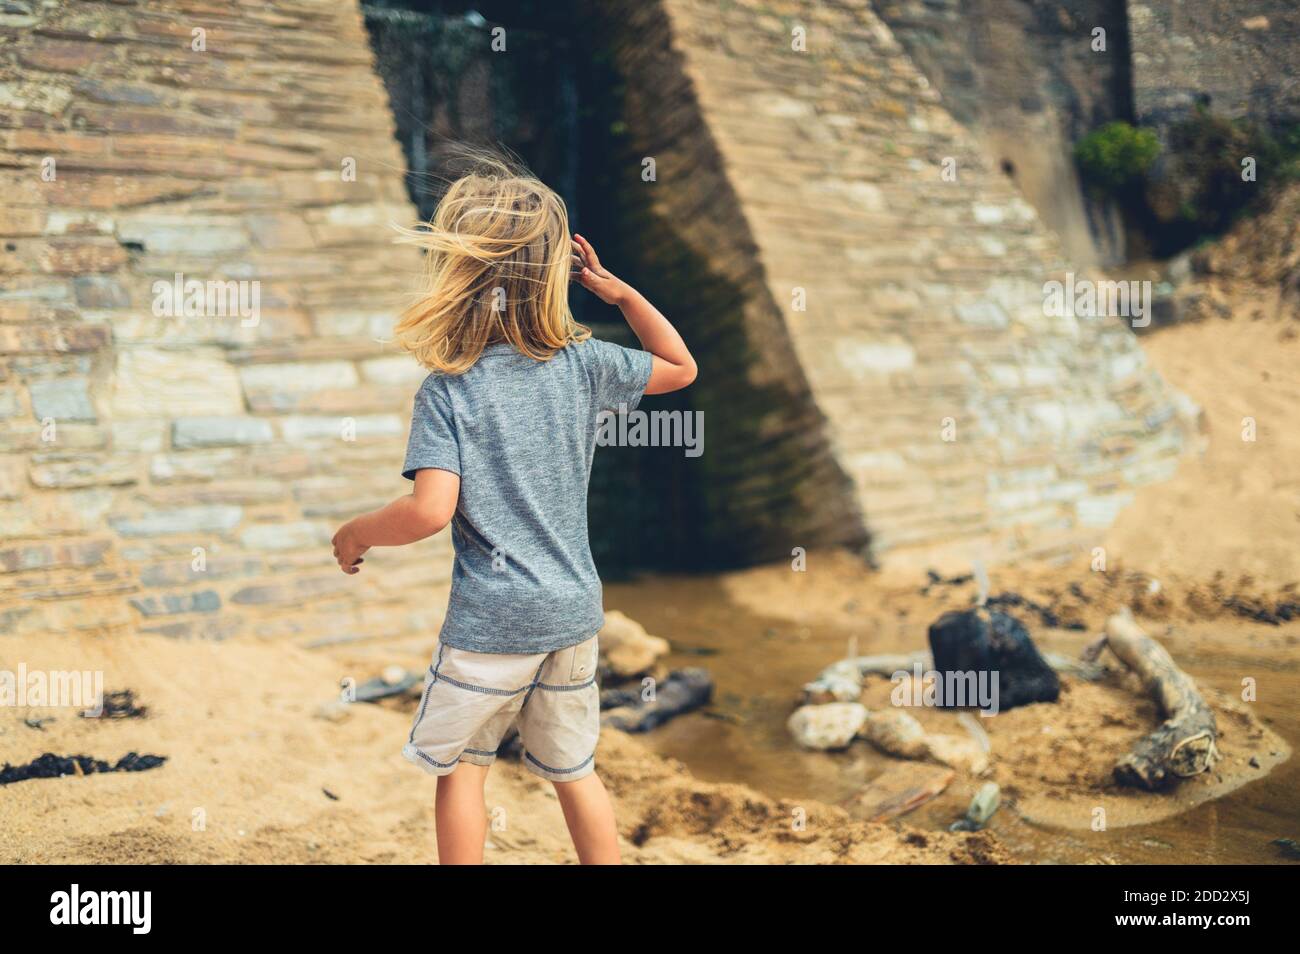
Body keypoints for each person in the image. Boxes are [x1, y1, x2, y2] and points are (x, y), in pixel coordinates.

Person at [331, 155, 696, 864]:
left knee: (465, 768)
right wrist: (619, 295)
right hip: (573, 612)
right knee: (573, 770)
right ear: (556, 272)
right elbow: (680, 368)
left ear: (458, 278)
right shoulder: (582, 363)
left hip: (493, 622)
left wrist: (355, 534)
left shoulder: (450, 390)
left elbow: (431, 510)